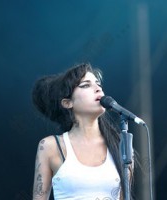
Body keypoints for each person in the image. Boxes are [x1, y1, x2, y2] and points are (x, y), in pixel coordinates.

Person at [32, 63, 133, 200]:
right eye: (86, 85)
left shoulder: (120, 145)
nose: (97, 88)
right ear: (68, 103)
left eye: (98, 84)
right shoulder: (51, 146)